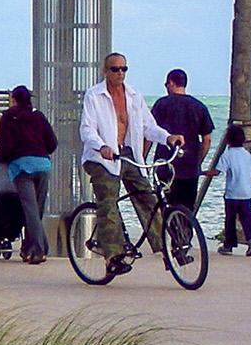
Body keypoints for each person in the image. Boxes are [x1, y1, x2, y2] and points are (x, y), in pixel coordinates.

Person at [80, 52, 187, 276]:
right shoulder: (94, 95)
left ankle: (168, 249)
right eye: (115, 69)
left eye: (123, 69)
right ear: (105, 71)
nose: (120, 73)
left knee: (148, 198)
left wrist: (168, 137)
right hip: (101, 157)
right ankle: (112, 257)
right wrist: (101, 146)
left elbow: (148, 125)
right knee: (108, 200)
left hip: (128, 154)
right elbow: (87, 129)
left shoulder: (134, 95)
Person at [0, 85, 59, 264]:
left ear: (14, 99)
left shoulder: (8, 117)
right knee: (36, 211)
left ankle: (40, 250)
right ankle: (29, 248)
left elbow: (5, 147)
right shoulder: (38, 116)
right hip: (43, 166)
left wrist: (6, 155)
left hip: (22, 167)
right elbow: (52, 143)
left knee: (31, 211)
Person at [150, 68, 214, 211]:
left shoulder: (161, 104)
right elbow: (207, 139)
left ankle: (167, 233)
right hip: (190, 167)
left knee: (165, 209)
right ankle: (185, 233)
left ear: (171, 83)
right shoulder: (199, 107)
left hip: (165, 165)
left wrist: (142, 157)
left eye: (166, 84)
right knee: (187, 211)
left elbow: (149, 133)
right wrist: (198, 161)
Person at [209, 124, 251, 256]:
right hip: (247, 193)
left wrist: (202, 172)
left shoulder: (227, 155)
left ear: (227, 140)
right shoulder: (247, 155)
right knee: (248, 218)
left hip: (232, 193)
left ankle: (229, 245)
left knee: (230, 219)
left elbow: (217, 172)